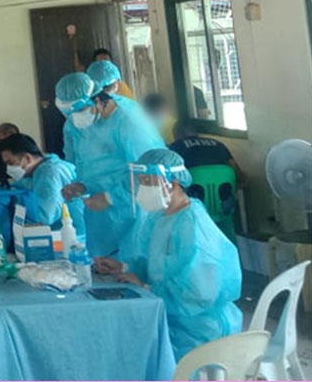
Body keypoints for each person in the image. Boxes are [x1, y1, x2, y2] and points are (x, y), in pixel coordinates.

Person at [93, 149, 242, 359]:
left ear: (172, 183)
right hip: (173, 315)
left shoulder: (193, 225)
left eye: (148, 182)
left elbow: (201, 293)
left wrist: (146, 287)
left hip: (199, 327)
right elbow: (159, 265)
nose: (142, 189)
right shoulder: (161, 217)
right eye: (141, 182)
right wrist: (124, 267)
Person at [56, 72, 164, 257]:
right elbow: (83, 162)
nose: (75, 119)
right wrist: (81, 185)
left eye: (80, 111)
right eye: (70, 115)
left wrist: (111, 197)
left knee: (132, 268)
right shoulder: (76, 124)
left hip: (132, 209)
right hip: (98, 215)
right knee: (102, 268)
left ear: (98, 100)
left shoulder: (129, 122)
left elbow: (151, 173)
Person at [0, 133, 87, 239]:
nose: (9, 169)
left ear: (27, 158)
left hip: (76, 238)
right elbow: (22, 186)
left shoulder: (49, 172)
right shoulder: (37, 172)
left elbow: (46, 216)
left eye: (11, 163)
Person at [169, 121, 245, 182]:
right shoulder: (218, 144)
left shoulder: (175, 147)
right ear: (196, 133)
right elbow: (237, 172)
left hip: (192, 197)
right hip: (224, 197)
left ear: (177, 135)